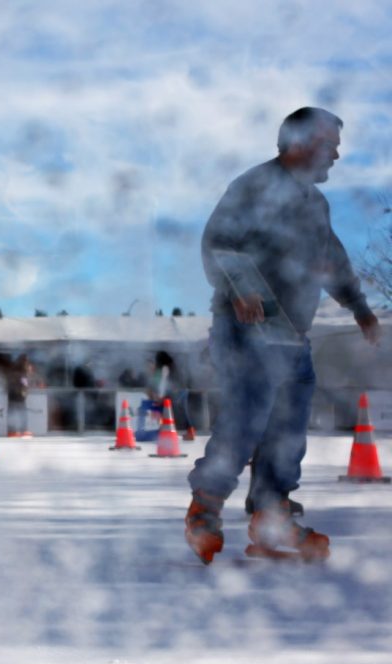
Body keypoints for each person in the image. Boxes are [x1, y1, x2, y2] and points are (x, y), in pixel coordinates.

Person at [184, 107, 381, 564]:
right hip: (246, 328)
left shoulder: (315, 202)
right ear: (299, 142)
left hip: (292, 336)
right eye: (329, 142)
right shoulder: (255, 186)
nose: (336, 153)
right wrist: (240, 289)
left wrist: (359, 307)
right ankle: (204, 511)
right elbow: (218, 241)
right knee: (248, 417)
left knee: (288, 429)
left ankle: (271, 517)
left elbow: (331, 259)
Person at [146, 350, 195, 441]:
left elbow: (165, 383)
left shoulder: (165, 368)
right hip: (184, 389)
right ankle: (190, 432)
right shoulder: (173, 365)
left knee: (165, 408)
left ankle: (163, 430)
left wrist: (161, 396)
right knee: (183, 411)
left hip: (176, 391)